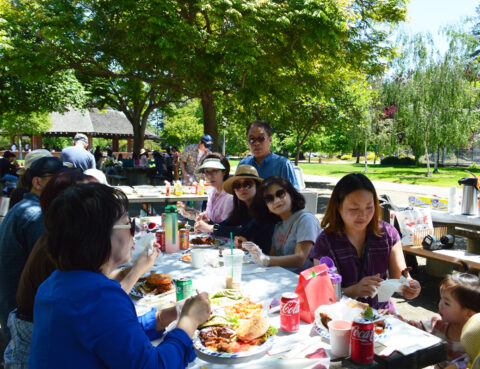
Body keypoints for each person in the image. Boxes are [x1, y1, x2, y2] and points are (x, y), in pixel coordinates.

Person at [28, 183, 211, 369]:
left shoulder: (56, 282)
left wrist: (166, 316)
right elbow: (154, 366)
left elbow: (114, 332)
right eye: (129, 224)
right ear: (99, 234)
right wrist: (190, 321)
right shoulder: (98, 297)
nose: (135, 233)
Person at [3, 171, 159, 368]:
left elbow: (102, 323)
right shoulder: (60, 253)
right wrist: (185, 325)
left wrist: (158, 318)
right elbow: (100, 310)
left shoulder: (62, 251)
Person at [310, 173, 421, 310]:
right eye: (354, 209)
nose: (363, 215)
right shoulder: (325, 242)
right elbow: (326, 294)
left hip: (382, 315)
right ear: (338, 207)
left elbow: (400, 277)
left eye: (369, 207)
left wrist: (409, 285)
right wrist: (355, 290)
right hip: (342, 316)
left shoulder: (388, 234)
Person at [0, 157, 69, 343]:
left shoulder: (25, 207)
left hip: (14, 309)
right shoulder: (35, 214)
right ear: (37, 182)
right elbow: (52, 268)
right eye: (57, 179)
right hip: (25, 318)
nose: (64, 184)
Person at [394, 270, 480, 369]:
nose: (440, 305)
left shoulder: (475, 340)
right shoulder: (438, 324)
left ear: (469, 313)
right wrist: (399, 320)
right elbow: (415, 327)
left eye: (447, 303)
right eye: (441, 299)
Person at [241, 176, 321, 273]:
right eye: (269, 199)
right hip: (281, 276)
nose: (276, 200)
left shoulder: (305, 220)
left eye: (280, 194)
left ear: (291, 194)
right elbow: (273, 257)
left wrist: (264, 259)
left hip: (303, 282)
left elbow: (299, 259)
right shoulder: (278, 225)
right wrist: (251, 251)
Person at [194, 165, 273, 254]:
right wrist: (209, 222)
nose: (242, 188)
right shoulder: (242, 208)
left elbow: (245, 231)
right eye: (237, 185)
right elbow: (225, 225)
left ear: (257, 186)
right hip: (251, 257)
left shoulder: (265, 208)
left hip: (268, 260)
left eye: (247, 184)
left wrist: (210, 228)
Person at [238, 121, 299, 189]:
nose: (256, 143)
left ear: (270, 139)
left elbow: (293, 195)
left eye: (261, 138)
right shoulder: (243, 164)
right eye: (252, 139)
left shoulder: (283, 164)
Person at [177, 153, 233, 223]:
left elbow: (225, 228)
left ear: (224, 172)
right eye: (206, 172)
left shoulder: (229, 197)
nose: (209, 176)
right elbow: (209, 217)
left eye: (214, 171)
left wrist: (205, 224)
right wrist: (193, 214)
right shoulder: (213, 193)